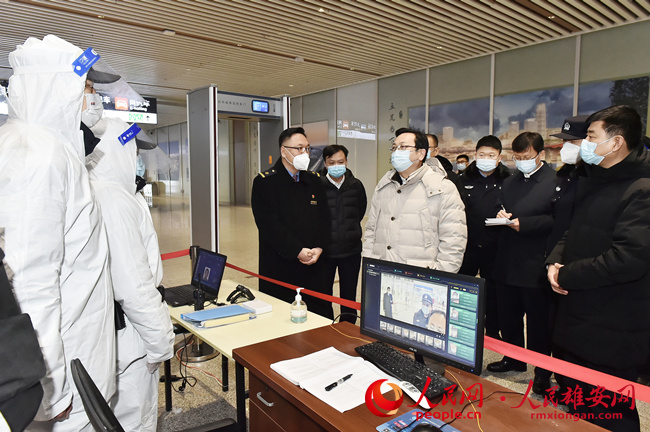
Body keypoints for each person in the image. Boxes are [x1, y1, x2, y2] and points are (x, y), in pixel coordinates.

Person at [0, 35, 116, 431]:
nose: (90, 98)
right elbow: (30, 283)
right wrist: (52, 392)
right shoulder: (37, 154)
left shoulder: (41, 146)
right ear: (56, 86)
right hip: (68, 366)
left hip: (77, 352)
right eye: (85, 86)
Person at [547, 105, 650, 432]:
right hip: (578, 314)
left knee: (610, 411)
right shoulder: (598, 179)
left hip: (612, 324)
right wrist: (553, 262)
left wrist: (566, 274)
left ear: (616, 142)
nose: (585, 144)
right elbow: (573, 230)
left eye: (591, 136)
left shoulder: (642, 189)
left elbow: (628, 259)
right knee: (579, 405)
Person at [86, 117, 174, 432]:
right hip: (129, 338)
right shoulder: (113, 199)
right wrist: (160, 341)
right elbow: (134, 285)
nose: (136, 159)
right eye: (133, 151)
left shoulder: (100, 191)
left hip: (112, 335)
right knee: (136, 419)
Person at [488, 132, 556, 396]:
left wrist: (525, 224)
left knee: (538, 323)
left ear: (540, 154)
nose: (521, 161)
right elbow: (501, 205)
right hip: (507, 261)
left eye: (526, 156)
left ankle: (542, 372)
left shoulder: (554, 181)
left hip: (535, 263)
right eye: (517, 157)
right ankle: (513, 358)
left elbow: (558, 220)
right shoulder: (510, 181)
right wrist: (501, 214)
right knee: (508, 316)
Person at [251, 127, 332, 318]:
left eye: (307, 148)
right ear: (283, 151)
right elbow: (268, 225)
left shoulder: (314, 181)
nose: (305, 153)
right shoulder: (265, 182)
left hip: (314, 264)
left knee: (318, 316)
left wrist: (319, 247)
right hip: (281, 265)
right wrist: (296, 250)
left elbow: (325, 218)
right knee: (281, 319)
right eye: (299, 148)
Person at [363, 128, 466, 271]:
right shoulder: (384, 186)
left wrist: (439, 275)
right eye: (394, 148)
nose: (397, 152)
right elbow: (371, 231)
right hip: (383, 270)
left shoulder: (442, 188)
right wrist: (369, 263)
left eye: (403, 147)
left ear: (421, 153)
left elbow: (454, 239)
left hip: (421, 274)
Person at [457, 135, 511, 339]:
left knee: (494, 291)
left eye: (491, 155)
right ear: (475, 155)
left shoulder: (508, 180)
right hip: (468, 245)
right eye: (482, 155)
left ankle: (492, 330)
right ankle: (461, 325)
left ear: (499, 158)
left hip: (495, 245)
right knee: (463, 288)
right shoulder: (463, 180)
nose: (485, 159)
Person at [319, 144, 367, 323]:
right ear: (325, 163)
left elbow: (360, 211)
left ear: (346, 162)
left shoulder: (356, 185)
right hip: (325, 251)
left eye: (340, 162)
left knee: (349, 295)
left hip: (351, 250)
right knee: (323, 294)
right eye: (332, 162)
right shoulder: (317, 185)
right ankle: (325, 325)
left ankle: (347, 326)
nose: (336, 166)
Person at [547, 115, 588, 250]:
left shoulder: (592, 178)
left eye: (573, 142)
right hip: (556, 248)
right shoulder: (563, 175)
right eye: (565, 141)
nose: (566, 146)